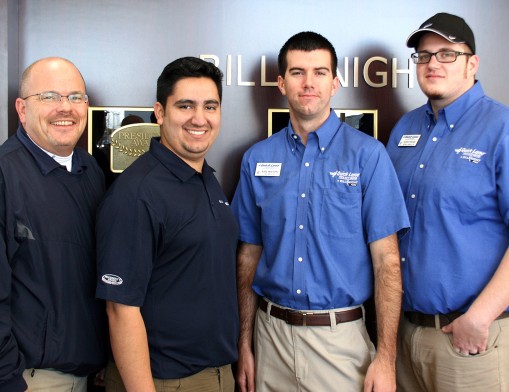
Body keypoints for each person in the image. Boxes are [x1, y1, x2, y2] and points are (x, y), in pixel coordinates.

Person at [232, 31, 409, 392]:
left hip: (340, 343)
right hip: (271, 340)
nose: (308, 83)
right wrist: (245, 344)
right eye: (297, 72)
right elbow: (249, 256)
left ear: (336, 82)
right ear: (281, 82)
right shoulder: (257, 159)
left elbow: (387, 262)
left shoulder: (368, 156)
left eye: (320, 72)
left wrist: (387, 359)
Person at [95, 57, 239, 392]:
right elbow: (120, 310)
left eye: (210, 106)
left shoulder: (206, 179)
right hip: (162, 381)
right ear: (159, 113)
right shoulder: (137, 193)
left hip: (216, 374)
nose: (199, 119)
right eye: (185, 106)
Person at [386, 12, 509, 391]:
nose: (432, 63)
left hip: (470, 341)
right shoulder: (405, 128)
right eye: (423, 55)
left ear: (472, 63)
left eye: (446, 54)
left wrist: (480, 317)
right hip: (405, 336)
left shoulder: (501, 128)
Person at [0, 57, 107, 392]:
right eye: (49, 97)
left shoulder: (90, 171)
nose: (66, 108)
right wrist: (9, 380)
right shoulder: (5, 175)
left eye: (76, 97)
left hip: (86, 376)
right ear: (22, 109)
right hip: (31, 380)